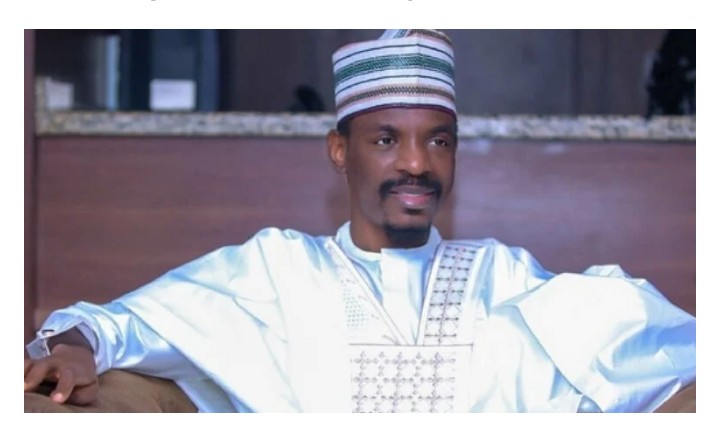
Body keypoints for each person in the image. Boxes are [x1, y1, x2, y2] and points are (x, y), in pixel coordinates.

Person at [24, 29, 696, 413]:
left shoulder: (503, 275)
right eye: (386, 140)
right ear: (339, 151)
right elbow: (125, 323)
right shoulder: (276, 271)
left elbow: (660, 343)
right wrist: (77, 347)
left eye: (438, 140)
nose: (417, 163)